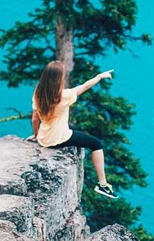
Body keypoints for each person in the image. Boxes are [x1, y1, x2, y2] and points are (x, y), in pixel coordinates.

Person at [29, 60, 117, 199]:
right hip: (58, 138)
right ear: (59, 78)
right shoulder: (64, 95)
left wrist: (36, 136)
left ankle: (101, 182)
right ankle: (103, 184)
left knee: (75, 128)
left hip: (44, 136)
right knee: (96, 144)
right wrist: (100, 76)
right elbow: (84, 87)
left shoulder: (38, 92)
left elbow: (35, 119)